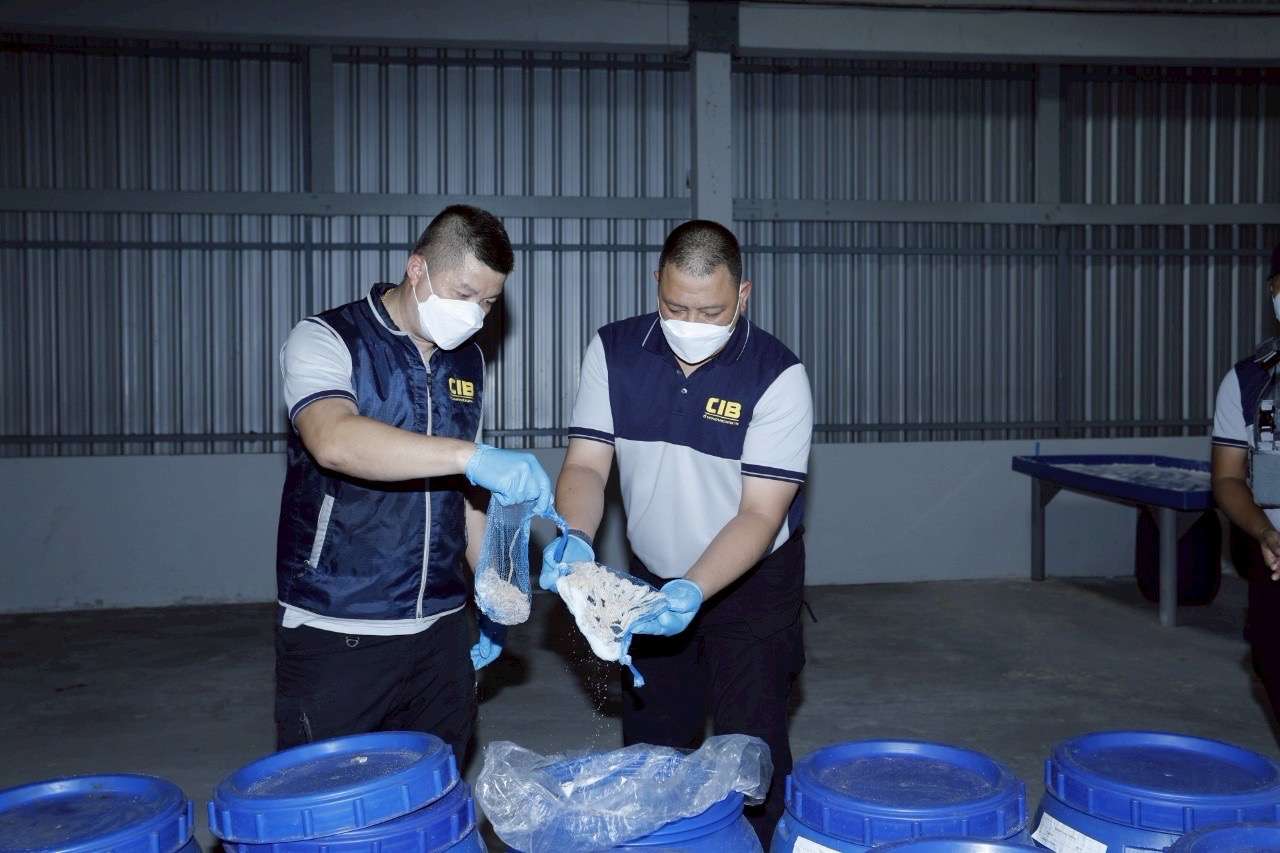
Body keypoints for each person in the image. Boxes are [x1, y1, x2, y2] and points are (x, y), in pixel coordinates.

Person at [541, 220, 814, 843]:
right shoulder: (614, 351)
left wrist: (693, 589)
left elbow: (760, 514)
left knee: (752, 756)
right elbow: (587, 465)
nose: (690, 323)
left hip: (750, 585)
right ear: (656, 285)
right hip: (651, 579)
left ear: (742, 295)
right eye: (674, 307)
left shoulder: (777, 375)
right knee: (652, 751)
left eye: (710, 311)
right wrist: (576, 535)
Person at [274, 204, 552, 761]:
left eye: (489, 302)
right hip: (341, 624)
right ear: (417, 269)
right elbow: (333, 439)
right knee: (332, 794)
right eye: (465, 293)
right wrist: (472, 456)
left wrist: (495, 588)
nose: (476, 315)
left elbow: (467, 497)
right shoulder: (328, 338)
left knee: (436, 786)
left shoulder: (466, 362)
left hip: (442, 631)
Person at [1211, 244, 1280, 723]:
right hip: (1275, 559)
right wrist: (1264, 532)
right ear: (1273, 291)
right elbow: (1229, 477)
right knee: (1271, 660)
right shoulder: (1249, 382)